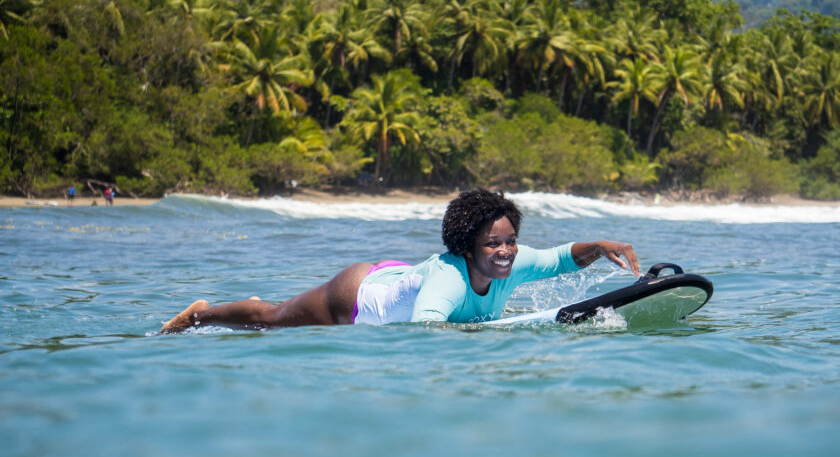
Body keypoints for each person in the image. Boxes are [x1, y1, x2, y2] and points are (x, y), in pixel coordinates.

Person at [160, 189, 639, 333]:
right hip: (356, 298)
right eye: (493, 244)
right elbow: (425, 331)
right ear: (467, 246)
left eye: (510, 241)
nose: (506, 251)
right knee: (273, 319)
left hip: (401, 275)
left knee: (274, 316)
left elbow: (560, 257)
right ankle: (199, 314)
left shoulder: (513, 261)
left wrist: (600, 246)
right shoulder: (449, 283)